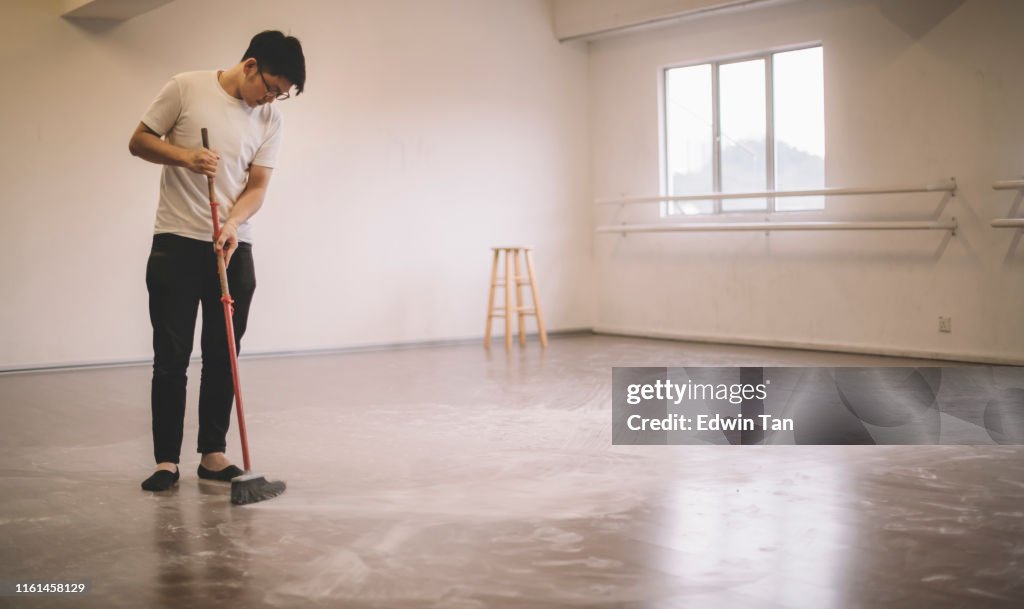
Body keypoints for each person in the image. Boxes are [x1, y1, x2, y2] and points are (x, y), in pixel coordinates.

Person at [129, 31, 306, 491]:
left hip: (231, 245)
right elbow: (140, 141)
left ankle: (213, 453)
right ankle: (166, 461)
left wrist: (232, 226)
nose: (271, 98)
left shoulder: (271, 118)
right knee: (171, 356)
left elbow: (259, 187)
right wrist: (185, 157)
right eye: (270, 87)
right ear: (250, 66)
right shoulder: (186, 88)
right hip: (177, 242)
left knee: (224, 354)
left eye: (280, 93)